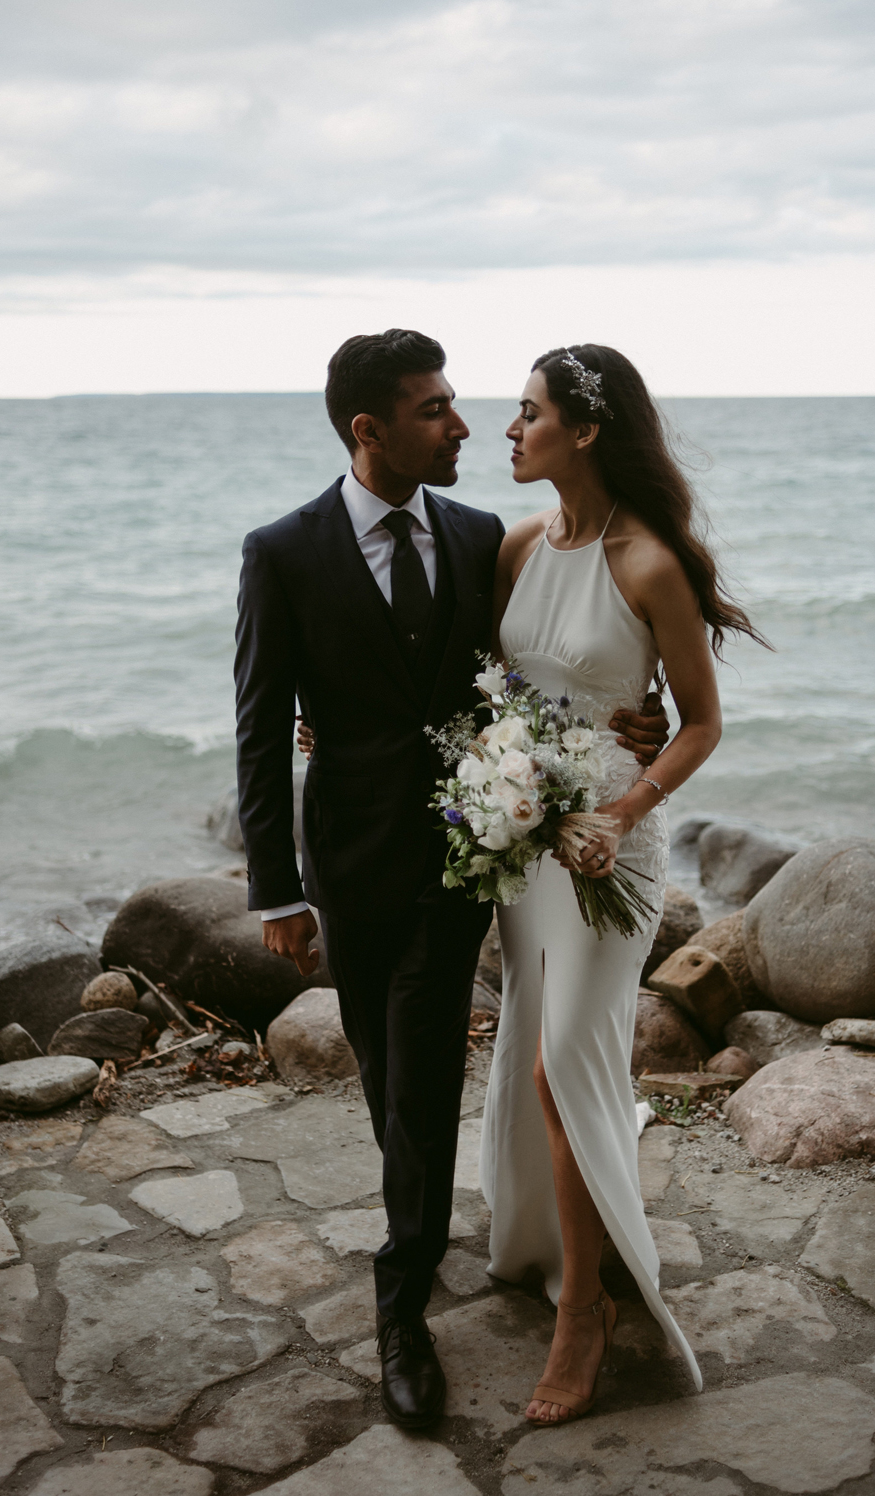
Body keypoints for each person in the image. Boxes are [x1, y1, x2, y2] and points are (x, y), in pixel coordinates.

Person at [233, 329, 666, 1431]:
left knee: (425, 1062)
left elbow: (549, 662)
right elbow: (254, 726)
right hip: (349, 857)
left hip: (470, 856)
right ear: (366, 429)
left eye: (461, 402)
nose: (463, 424)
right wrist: (276, 890)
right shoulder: (282, 550)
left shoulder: (485, 538)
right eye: (433, 410)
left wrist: (637, 720)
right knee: (388, 1080)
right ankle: (423, 1220)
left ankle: (401, 1301)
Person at [482, 344, 760, 1424]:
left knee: (566, 1063)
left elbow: (697, 721)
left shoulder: (648, 563)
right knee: (527, 1047)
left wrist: (622, 807)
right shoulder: (513, 547)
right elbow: (487, 688)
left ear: (584, 430)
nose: (507, 430)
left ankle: (586, 1311)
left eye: (525, 413)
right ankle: (543, 1243)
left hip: (607, 853)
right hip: (523, 842)